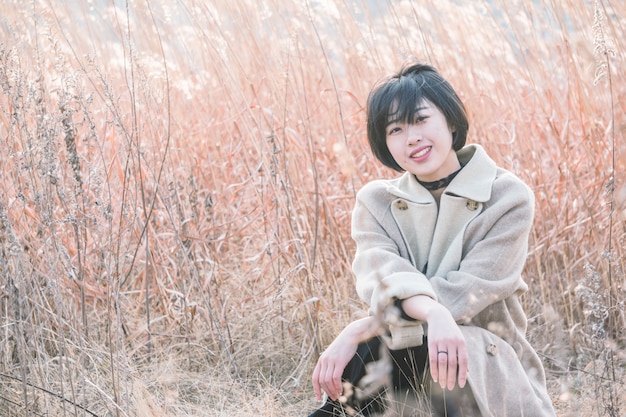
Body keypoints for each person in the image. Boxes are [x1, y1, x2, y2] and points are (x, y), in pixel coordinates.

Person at [308, 62, 557, 416]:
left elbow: (468, 291)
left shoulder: (506, 197)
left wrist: (365, 325)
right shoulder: (376, 202)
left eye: (421, 119)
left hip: (483, 360)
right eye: (395, 129)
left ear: (451, 121)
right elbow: (380, 276)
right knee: (385, 346)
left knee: (426, 342)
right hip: (402, 353)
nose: (411, 138)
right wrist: (431, 312)